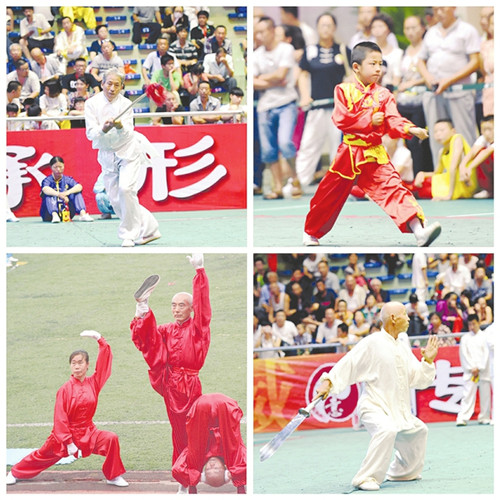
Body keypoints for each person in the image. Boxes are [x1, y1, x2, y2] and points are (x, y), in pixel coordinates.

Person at [303, 42, 441, 247]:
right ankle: (311, 233)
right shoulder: (343, 90)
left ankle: (419, 231)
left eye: (380, 63)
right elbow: (341, 118)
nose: (378, 68)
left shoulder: (384, 94)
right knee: (329, 194)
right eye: (372, 63)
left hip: (375, 153)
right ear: (356, 67)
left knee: (394, 188)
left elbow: (393, 119)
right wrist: (369, 119)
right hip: (349, 153)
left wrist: (409, 129)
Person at [316, 301, 439, 491]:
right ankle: (365, 477)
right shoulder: (372, 342)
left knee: (419, 430)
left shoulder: (402, 347)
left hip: (398, 410)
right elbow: (348, 363)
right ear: (393, 318)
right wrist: (328, 382)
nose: (408, 318)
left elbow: (418, 379)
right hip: (374, 407)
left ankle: (403, 471)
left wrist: (428, 361)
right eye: (405, 314)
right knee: (387, 430)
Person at [6, 331, 128, 487]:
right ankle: (15, 472)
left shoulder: (94, 383)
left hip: (88, 432)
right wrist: (68, 442)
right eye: (73, 363)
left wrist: (100, 340)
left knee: (111, 438)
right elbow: (60, 418)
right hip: (64, 436)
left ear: (87, 365)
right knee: (42, 456)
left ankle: (113, 476)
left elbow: (104, 366)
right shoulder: (64, 389)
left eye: (80, 362)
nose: (76, 366)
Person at [130, 254, 210, 488]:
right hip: (172, 386)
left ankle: (201, 469)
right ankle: (183, 478)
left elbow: (204, 307)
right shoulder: (166, 329)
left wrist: (200, 271)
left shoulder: (199, 328)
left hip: (192, 384)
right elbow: (147, 339)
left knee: (198, 430)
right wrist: (142, 311)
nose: (176, 310)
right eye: (173, 305)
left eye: (181, 305)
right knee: (179, 434)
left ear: (191, 308)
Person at [84, 68, 161, 247]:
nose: (112, 88)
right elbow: (90, 133)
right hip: (106, 154)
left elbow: (128, 134)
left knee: (126, 190)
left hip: (127, 152)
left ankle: (128, 235)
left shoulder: (126, 104)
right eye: (109, 83)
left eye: (117, 85)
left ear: (122, 87)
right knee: (116, 199)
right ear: (102, 83)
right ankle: (150, 229)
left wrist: (118, 126)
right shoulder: (91, 104)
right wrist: (104, 129)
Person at [417, 7, 481, 167]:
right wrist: (428, 77)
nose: (439, 12)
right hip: (434, 93)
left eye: (443, 7)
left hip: (459, 92)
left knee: (464, 135)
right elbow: (420, 61)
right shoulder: (431, 32)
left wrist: (449, 80)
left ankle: (469, 177)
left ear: (453, 7)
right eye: (436, 8)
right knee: (437, 136)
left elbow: (475, 62)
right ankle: (442, 178)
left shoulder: (467, 30)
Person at [295, 12, 350, 187]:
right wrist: (305, 96)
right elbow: (302, 75)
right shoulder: (310, 51)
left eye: (329, 25)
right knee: (309, 144)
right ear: (317, 28)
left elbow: (352, 76)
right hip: (316, 107)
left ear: (334, 28)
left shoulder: (343, 50)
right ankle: (301, 181)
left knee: (339, 147)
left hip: (338, 109)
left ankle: (339, 184)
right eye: (322, 25)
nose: (325, 28)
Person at [254, 16, 301, 199]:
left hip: (286, 103)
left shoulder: (286, 49)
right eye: (256, 32)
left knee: (285, 142)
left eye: (262, 32)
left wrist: (263, 78)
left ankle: (295, 178)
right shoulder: (256, 54)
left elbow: (282, 74)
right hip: (265, 106)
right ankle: (278, 187)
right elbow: (255, 83)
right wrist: (273, 80)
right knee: (268, 149)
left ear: (272, 31)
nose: (258, 36)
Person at [172, 393, 246, 494]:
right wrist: (234, 475)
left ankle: (184, 489)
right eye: (216, 468)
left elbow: (177, 470)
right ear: (224, 467)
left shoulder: (198, 459)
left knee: (193, 461)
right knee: (233, 448)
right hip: (225, 409)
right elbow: (250, 466)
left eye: (208, 470)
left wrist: (197, 478)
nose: (212, 465)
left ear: (203, 471)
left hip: (201, 409)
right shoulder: (234, 460)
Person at [396, 15, 433, 177]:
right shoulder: (405, 52)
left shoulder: (427, 49)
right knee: (404, 141)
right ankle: (408, 177)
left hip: (421, 102)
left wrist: (413, 84)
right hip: (404, 103)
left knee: (418, 141)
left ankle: (420, 174)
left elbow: (430, 75)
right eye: (407, 28)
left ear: (422, 28)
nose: (410, 32)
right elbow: (399, 77)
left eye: (413, 27)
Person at [411, 120, 477, 201]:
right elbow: (437, 173)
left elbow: (453, 167)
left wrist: (449, 195)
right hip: (450, 183)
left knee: (419, 190)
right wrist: (422, 174)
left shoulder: (457, 138)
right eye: (435, 131)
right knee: (419, 184)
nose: (438, 134)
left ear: (453, 131)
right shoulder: (442, 151)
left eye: (442, 130)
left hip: (464, 185)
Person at [456, 314, 492, 426]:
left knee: (485, 394)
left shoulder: (485, 336)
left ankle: (484, 417)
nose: (472, 326)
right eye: (470, 324)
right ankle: (462, 417)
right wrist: (472, 367)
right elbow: (463, 354)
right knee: (467, 395)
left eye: (473, 323)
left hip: (484, 370)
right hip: (470, 371)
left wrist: (480, 367)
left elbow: (487, 353)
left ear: (478, 322)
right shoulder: (465, 338)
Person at [40, 156, 93, 223]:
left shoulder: (68, 179)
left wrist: (67, 193)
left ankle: (83, 214)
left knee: (77, 192)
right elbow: (45, 189)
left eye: (60, 167)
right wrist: (59, 194)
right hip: (49, 215)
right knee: (49, 194)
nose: (58, 169)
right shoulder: (47, 180)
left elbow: (79, 186)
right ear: (51, 167)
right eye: (55, 167)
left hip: (67, 211)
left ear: (64, 166)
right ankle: (55, 215)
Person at [458, 115, 494, 199]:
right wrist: (462, 166)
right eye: (483, 130)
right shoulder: (483, 138)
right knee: (479, 153)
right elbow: (472, 152)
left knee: (488, 155)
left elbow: (486, 152)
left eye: (489, 129)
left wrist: (469, 168)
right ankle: (488, 190)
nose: (486, 133)